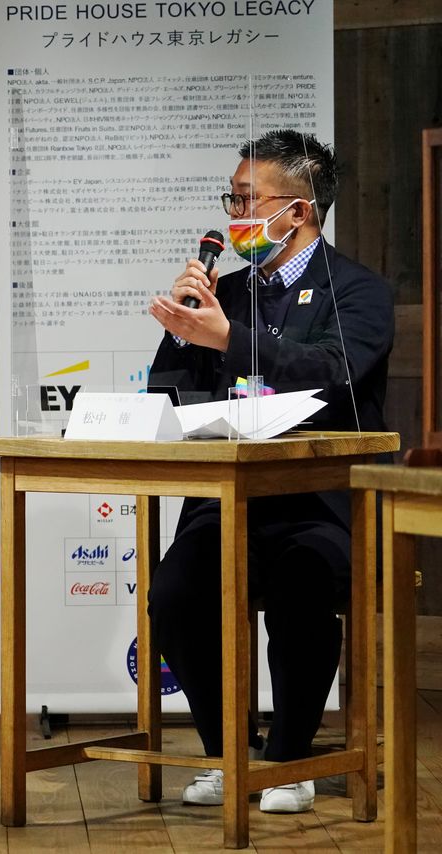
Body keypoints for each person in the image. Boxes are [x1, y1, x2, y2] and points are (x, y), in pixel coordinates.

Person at [146, 130, 393, 814]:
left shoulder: (358, 293)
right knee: (175, 596)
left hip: (321, 502)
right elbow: (164, 396)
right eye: (232, 198)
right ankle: (227, 754)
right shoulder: (223, 293)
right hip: (229, 500)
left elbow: (332, 375)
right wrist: (181, 327)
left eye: (247, 199)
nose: (235, 215)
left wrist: (229, 339)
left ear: (299, 210)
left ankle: (289, 760)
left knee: (302, 582)